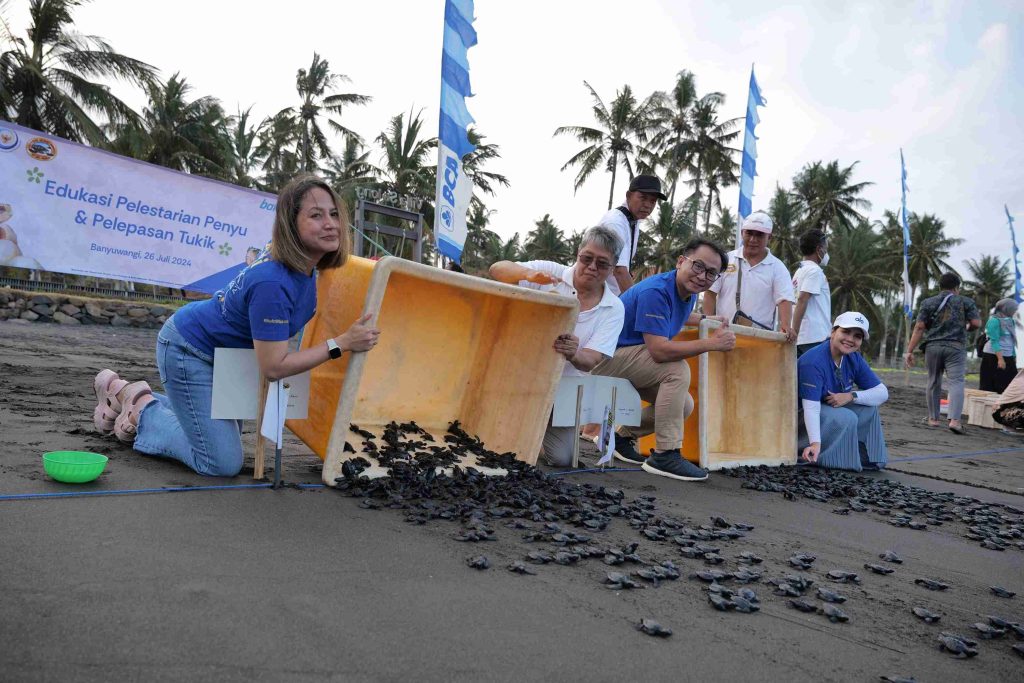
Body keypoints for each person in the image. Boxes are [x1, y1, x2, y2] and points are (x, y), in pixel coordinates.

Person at [91, 175, 381, 477]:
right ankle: (142, 409)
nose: (330, 223)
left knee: (215, 436)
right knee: (220, 462)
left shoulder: (305, 267)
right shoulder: (274, 282)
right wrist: (342, 344)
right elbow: (274, 367)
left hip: (232, 361)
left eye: (334, 214)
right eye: (316, 215)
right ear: (290, 225)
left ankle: (129, 394)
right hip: (189, 350)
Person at [592, 239, 736, 481]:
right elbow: (659, 351)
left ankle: (621, 438)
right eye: (698, 266)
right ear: (681, 261)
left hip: (627, 359)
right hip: (600, 360)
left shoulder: (685, 291)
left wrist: (705, 319)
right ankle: (665, 454)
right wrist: (712, 344)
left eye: (711, 273)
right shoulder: (656, 291)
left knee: (685, 405)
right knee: (675, 369)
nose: (702, 276)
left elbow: (673, 314)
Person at [489, 226, 626, 467]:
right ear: (578, 254)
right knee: (498, 443)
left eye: (602, 264)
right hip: (519, 374)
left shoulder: (613, 308)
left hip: (565, 387)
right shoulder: (550, 272)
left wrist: (575, 353)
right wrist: (528, 276)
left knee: (563, 458)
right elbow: (497, 269)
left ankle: (538, 433)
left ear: (613, 269)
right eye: (587, 258)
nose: (592, 267)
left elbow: (591, 360)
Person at [798, 312, 889, 471]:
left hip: (824, 411)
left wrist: (851, 396)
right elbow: (810, 408)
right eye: (846, 332)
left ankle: (867, 458)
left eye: (857, 336)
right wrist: (815, 443)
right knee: (846, 417)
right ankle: (821, 455)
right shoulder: (813, 361)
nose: (850, 339)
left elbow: (882, 393)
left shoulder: (853, 358)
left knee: (868, 409)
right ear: (833, 332)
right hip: (798, 417)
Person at [905, 272, 981, 434]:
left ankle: (933, 419)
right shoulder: (966, 302)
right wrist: (967, 328)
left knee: (933, 380)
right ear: (956, 288)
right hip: (955, 347)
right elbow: (976, 323)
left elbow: (919, 327)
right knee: (956, 382)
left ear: (940, 286)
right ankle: (954, 420)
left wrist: (909, 351)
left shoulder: (928, 302)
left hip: (933, 346)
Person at [702, 211, 796, 342]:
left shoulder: (778, 267)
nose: (753, 239)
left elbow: (784, 299)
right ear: (742, 233)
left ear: (770, 237)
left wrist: (786, 326)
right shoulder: (726, 259)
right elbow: (710, 293)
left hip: (759, 339)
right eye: (749, 233)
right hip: (723, 335)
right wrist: (709, 326)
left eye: (759, 235)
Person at [598, 174, 666, 295]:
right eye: (643, 198)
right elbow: (620, 271)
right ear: (628, 196)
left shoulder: (632, 221)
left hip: (607, 297)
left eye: (653, 201)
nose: (648, 205)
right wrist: (636, 304)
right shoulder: (616, 222)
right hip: (596, 298)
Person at [791, 229, 831, 357]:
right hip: (814, 338)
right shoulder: (815, 271)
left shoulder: (800, 271)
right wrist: (795, 332)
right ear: (819, 249)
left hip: (804, 338)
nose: (826, 253)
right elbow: (802, 300)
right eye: (826, 249)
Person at [979, 298, 1019, 394]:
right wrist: (1000, 359)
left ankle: (1003, 407)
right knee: (990, 385)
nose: (1015, 311)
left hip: (1008, 355)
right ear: (1006, 309)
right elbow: (994, 341)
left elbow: (1011, 340)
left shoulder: (1011, 321)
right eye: (1013, 308)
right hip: (993, 356)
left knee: (1010, 384)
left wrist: (1013, 356)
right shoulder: (994, 321)